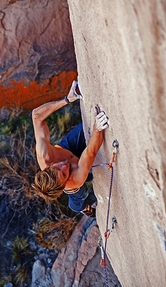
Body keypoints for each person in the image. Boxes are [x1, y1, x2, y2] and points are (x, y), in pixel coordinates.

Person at [31, 80, 109, 216]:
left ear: (49, 166)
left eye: (57, 167)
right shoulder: (74, 180)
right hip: (78, 172)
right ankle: (82, 208)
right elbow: (91, 152)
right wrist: (97, 129)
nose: (64, 166)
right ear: (64, 182)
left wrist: (67, 99)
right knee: (80, 195)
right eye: (63, 174)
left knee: (88, 126)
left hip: (67, 148)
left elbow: (36, 116)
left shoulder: (45, 155)